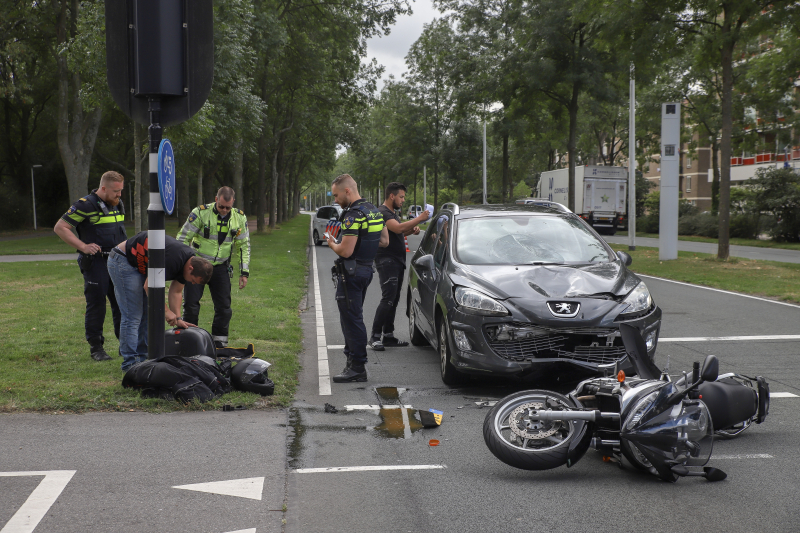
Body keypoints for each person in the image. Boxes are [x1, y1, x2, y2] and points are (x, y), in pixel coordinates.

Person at [107, 231, 213, 372]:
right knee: (133, 316)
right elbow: (150, 287)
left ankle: (143, 359)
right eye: (193, 280)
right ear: (191, 268)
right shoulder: (172, 260)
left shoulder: (188, 262)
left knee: (145, 315)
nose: (192, 284)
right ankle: (130, 364)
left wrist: (178, 317)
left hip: (139, 265)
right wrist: (166, 312)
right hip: (124, 260)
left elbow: (175, 292)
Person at [54, 171, 127, 361]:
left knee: (122, 304)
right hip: (97, 263)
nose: (119, 195)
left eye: (121, 191)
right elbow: (60, 227)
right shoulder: (85, 205)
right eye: (116, 191)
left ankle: (125, 345)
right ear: (103, 188)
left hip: (118, 262)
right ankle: (97, 348)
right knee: (97, 305)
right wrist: (82, 246)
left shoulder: (116, 204)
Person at [326, 174, 389, 383]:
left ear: (347, 191)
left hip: (351, 274)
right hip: (366, 270)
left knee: (352, 321)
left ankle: (357, 367)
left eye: (336, 195)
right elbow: (384, 241)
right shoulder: (374, 211)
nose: (335, 200)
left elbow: (345, 251)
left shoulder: (353, 215)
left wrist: (332, 242)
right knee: (354, 317)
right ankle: (352, 362)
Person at [176, 186, 250, 348]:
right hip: (197, 265)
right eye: (221, 206)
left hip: (221, 267)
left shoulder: (239, 218)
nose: (224, 210)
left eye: (228, 207)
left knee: (224, 308)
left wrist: (244, 272)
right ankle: (189, 342)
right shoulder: (201, 213)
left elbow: (243, 245)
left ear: (233, 203)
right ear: (216, 199)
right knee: (191, 305)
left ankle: (219, 345)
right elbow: (182, 238)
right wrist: (181, 264)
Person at [368, 182, 430, 351]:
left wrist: (412, 230)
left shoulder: (392, 213)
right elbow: (398, 227)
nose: (403, 200)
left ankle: (388, 335)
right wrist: (420, 218)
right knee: (388, 298)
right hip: (387, 261)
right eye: (401, 197)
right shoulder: (382, 212)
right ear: (392, 196)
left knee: (394, 300)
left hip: (396, 261)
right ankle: (374, 337)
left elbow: (399, 231)